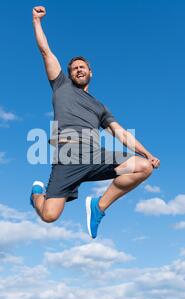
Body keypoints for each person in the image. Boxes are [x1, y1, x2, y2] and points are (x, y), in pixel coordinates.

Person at [30, 6, 161, 239]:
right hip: (67, 157)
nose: (78, 70)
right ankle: (36, 194)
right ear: (69, 74)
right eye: (74, 69)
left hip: (94, 155)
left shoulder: (100, 107)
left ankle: (98, 207)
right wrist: (37, 21)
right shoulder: (61, 86)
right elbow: (46, 52)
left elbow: (120, 133)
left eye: (82, 67)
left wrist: (147, 153)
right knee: (49, 215)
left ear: (91, 72)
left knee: (143, 167)